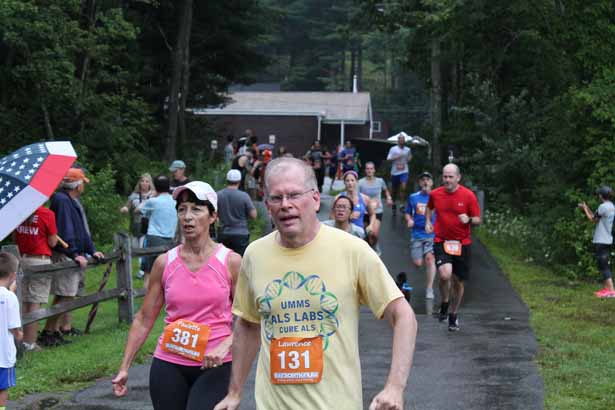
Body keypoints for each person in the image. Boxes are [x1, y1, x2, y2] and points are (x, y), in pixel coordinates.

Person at [213, 157, 417, 410]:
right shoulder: (255, 255)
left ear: (316, 199)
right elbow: (248, 324)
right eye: (277, 198)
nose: (286, 205)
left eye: (294, 195)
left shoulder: (351, 250)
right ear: (267, 205)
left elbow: (403, 315)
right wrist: (234, 392)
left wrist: (395, 388)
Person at [112, 181, 241, 410]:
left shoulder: (230, 262)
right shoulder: (165, 262)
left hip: (214, 364)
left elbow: (249, 318)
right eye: (182, 210)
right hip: (169, 362)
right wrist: (124, 367)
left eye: (196, 209)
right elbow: (144, 318)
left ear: (213, 217)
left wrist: (227, 344)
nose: (187, 217)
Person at [40, 168, 104, 347]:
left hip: (73, 253)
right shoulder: (62, 201)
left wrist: (91, 250)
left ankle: (56, 330)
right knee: (63, 294)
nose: (83, 185)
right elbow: (65, 230)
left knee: (67, 294)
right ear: (76, 185)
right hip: (66, 254)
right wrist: (74, 253)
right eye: (82, 182)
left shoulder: (70, 200)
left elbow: (81, 230)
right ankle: (48, 332)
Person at [425, 164, 481, 332]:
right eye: (445, 176)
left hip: (462, 243)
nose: (447, 180)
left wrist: (469, 220)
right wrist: (428, 221)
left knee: (458, 282)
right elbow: (429, 207)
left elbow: (478, 219)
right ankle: (445, 301)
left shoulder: (468, 196)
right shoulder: (436, 194)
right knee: (445, 274)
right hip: (442, 240)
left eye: (450, 177)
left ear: (458, 177)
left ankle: (453, 314)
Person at [13, 206, 58, 351]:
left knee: (24, 300)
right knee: (35, 301)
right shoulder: (46, 214)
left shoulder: (19, 211)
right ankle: (30, 342)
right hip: (40, 259)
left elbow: (15, 238)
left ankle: (22, 340)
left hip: (21, 259)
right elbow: (52, 242)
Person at [139, 175, 177, 289]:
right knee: (166, 272)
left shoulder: (153, 201)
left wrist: (148, 198)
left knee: (149, 272)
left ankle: (147, 296)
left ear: (155, 187)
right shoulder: (175, 202)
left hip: (153, 237)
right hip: (169, 239)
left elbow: (139, 210)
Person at [404, 172, 437, 300]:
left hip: (431, 234)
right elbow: (407, 212)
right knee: (418, 263)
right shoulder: (413, 197)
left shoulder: (437, 197)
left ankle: (429, 289)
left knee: (430, 259)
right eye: (423, 180)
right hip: (416, 234)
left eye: (428, 180)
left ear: (431, 183)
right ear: (419, 183)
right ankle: (419, 260)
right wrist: (409, 220)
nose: (425, 182)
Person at [579, 186, 615, 298]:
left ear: (601, 196)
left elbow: (592, 220)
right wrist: (587, 207)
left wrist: (584, 209)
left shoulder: (603, 206)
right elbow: (596, 217)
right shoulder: (611, 206)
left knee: (603, 265)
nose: (598, 195)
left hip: (601, 239)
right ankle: (606, 289)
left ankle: (611, 291)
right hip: (607, 239)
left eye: (599, 194)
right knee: (602, 264)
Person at [120, 173, 154, 278]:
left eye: (147, 181)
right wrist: (124, 209)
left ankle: (142, 270)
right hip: (135, 224)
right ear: (139, 183)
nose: (144, 183)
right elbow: (127, 206)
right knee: (135, 246)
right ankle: (143, 268)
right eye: (142, 181)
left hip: (148, 224)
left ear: (150, 183)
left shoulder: (153, 195)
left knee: (142, 246)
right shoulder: (134, 196)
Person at [0, 252, 23, 410]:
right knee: (2, 388)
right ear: (13, 275)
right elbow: (14, 327)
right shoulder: (10, 297)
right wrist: (19, 335)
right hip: (3, 354)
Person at [216, 170, 258, 256]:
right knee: (240, 263)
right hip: (241, 234)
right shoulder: (244, 196)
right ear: (239, 181)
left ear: (227, 180)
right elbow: (254, 215)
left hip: (224, 233)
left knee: (224, 260)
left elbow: (214, 213)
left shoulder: (218, 195)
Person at [339, 170, 380, 251]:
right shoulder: (339, 198)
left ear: (356, 182)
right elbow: (332, 219)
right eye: (347, 180)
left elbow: (372, 214)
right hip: (344, 234)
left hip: (359, 235)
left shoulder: (365, 198)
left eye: (352, 180)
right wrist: (348, 217)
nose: (350, 183)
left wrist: (371, 225)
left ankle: (375, 251)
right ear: (344, 183)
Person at [359, 161, 392, 243]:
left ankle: (375, 248)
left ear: (374, 170)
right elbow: (357, 196)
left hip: (377, 211)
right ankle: (369, 250)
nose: (369, 170)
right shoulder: (360, 182)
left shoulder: (380, 181)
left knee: (374, 234)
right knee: (365, 234)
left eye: (371, 169)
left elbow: (386, 190)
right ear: (365, 170)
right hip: (365, 212)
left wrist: (388, 197)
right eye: (367, 169)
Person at [387, 135, 412, 213]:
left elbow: (410, 157)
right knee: (394, 190)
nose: (402, 141)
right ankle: (394, 203)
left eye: (403, 140)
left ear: (404, 141)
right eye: (400, 140)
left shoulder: (408, 149)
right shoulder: (393, 149)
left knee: (403, 188)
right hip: (395, 172)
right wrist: (397, 157)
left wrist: (410, 158)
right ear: (398, 141)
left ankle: (401, 204)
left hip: (404, 171)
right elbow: (388, 159)